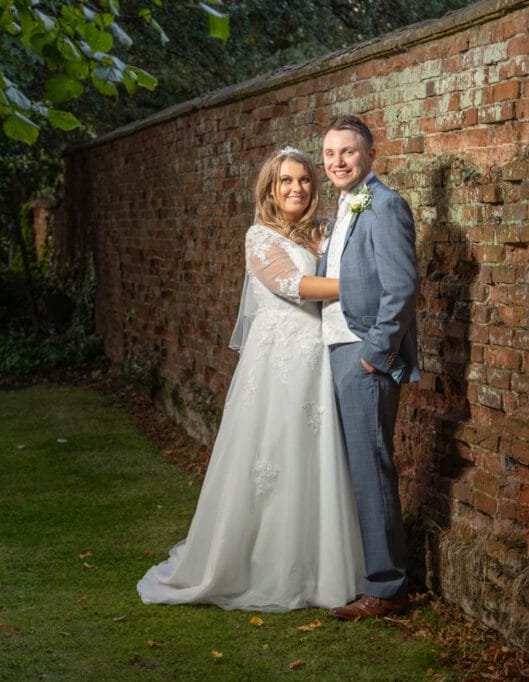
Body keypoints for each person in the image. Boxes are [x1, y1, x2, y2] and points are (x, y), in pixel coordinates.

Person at [137, 147, 364, 611]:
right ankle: (260, 566)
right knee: (272, 456)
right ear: (270, 189)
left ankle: (320, 564)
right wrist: (363, 283)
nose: (296, 188)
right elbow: (293, 287)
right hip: (278, 361)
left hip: (316, 358)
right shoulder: (258, 238)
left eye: (303, 180)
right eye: (285, 181)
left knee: (312, 456)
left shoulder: (321, 233)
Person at [317, 115, 421, 621]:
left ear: (370, 156)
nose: (338, 162)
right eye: (331, 154)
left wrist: (372, 356)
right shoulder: (341, 209)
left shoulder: (385, 205)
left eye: (348, 152)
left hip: (362, 357)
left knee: (372, 468)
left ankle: (387, 588)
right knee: (348, 470)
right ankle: (362, 571)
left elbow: (401, 289)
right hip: (333, 350)